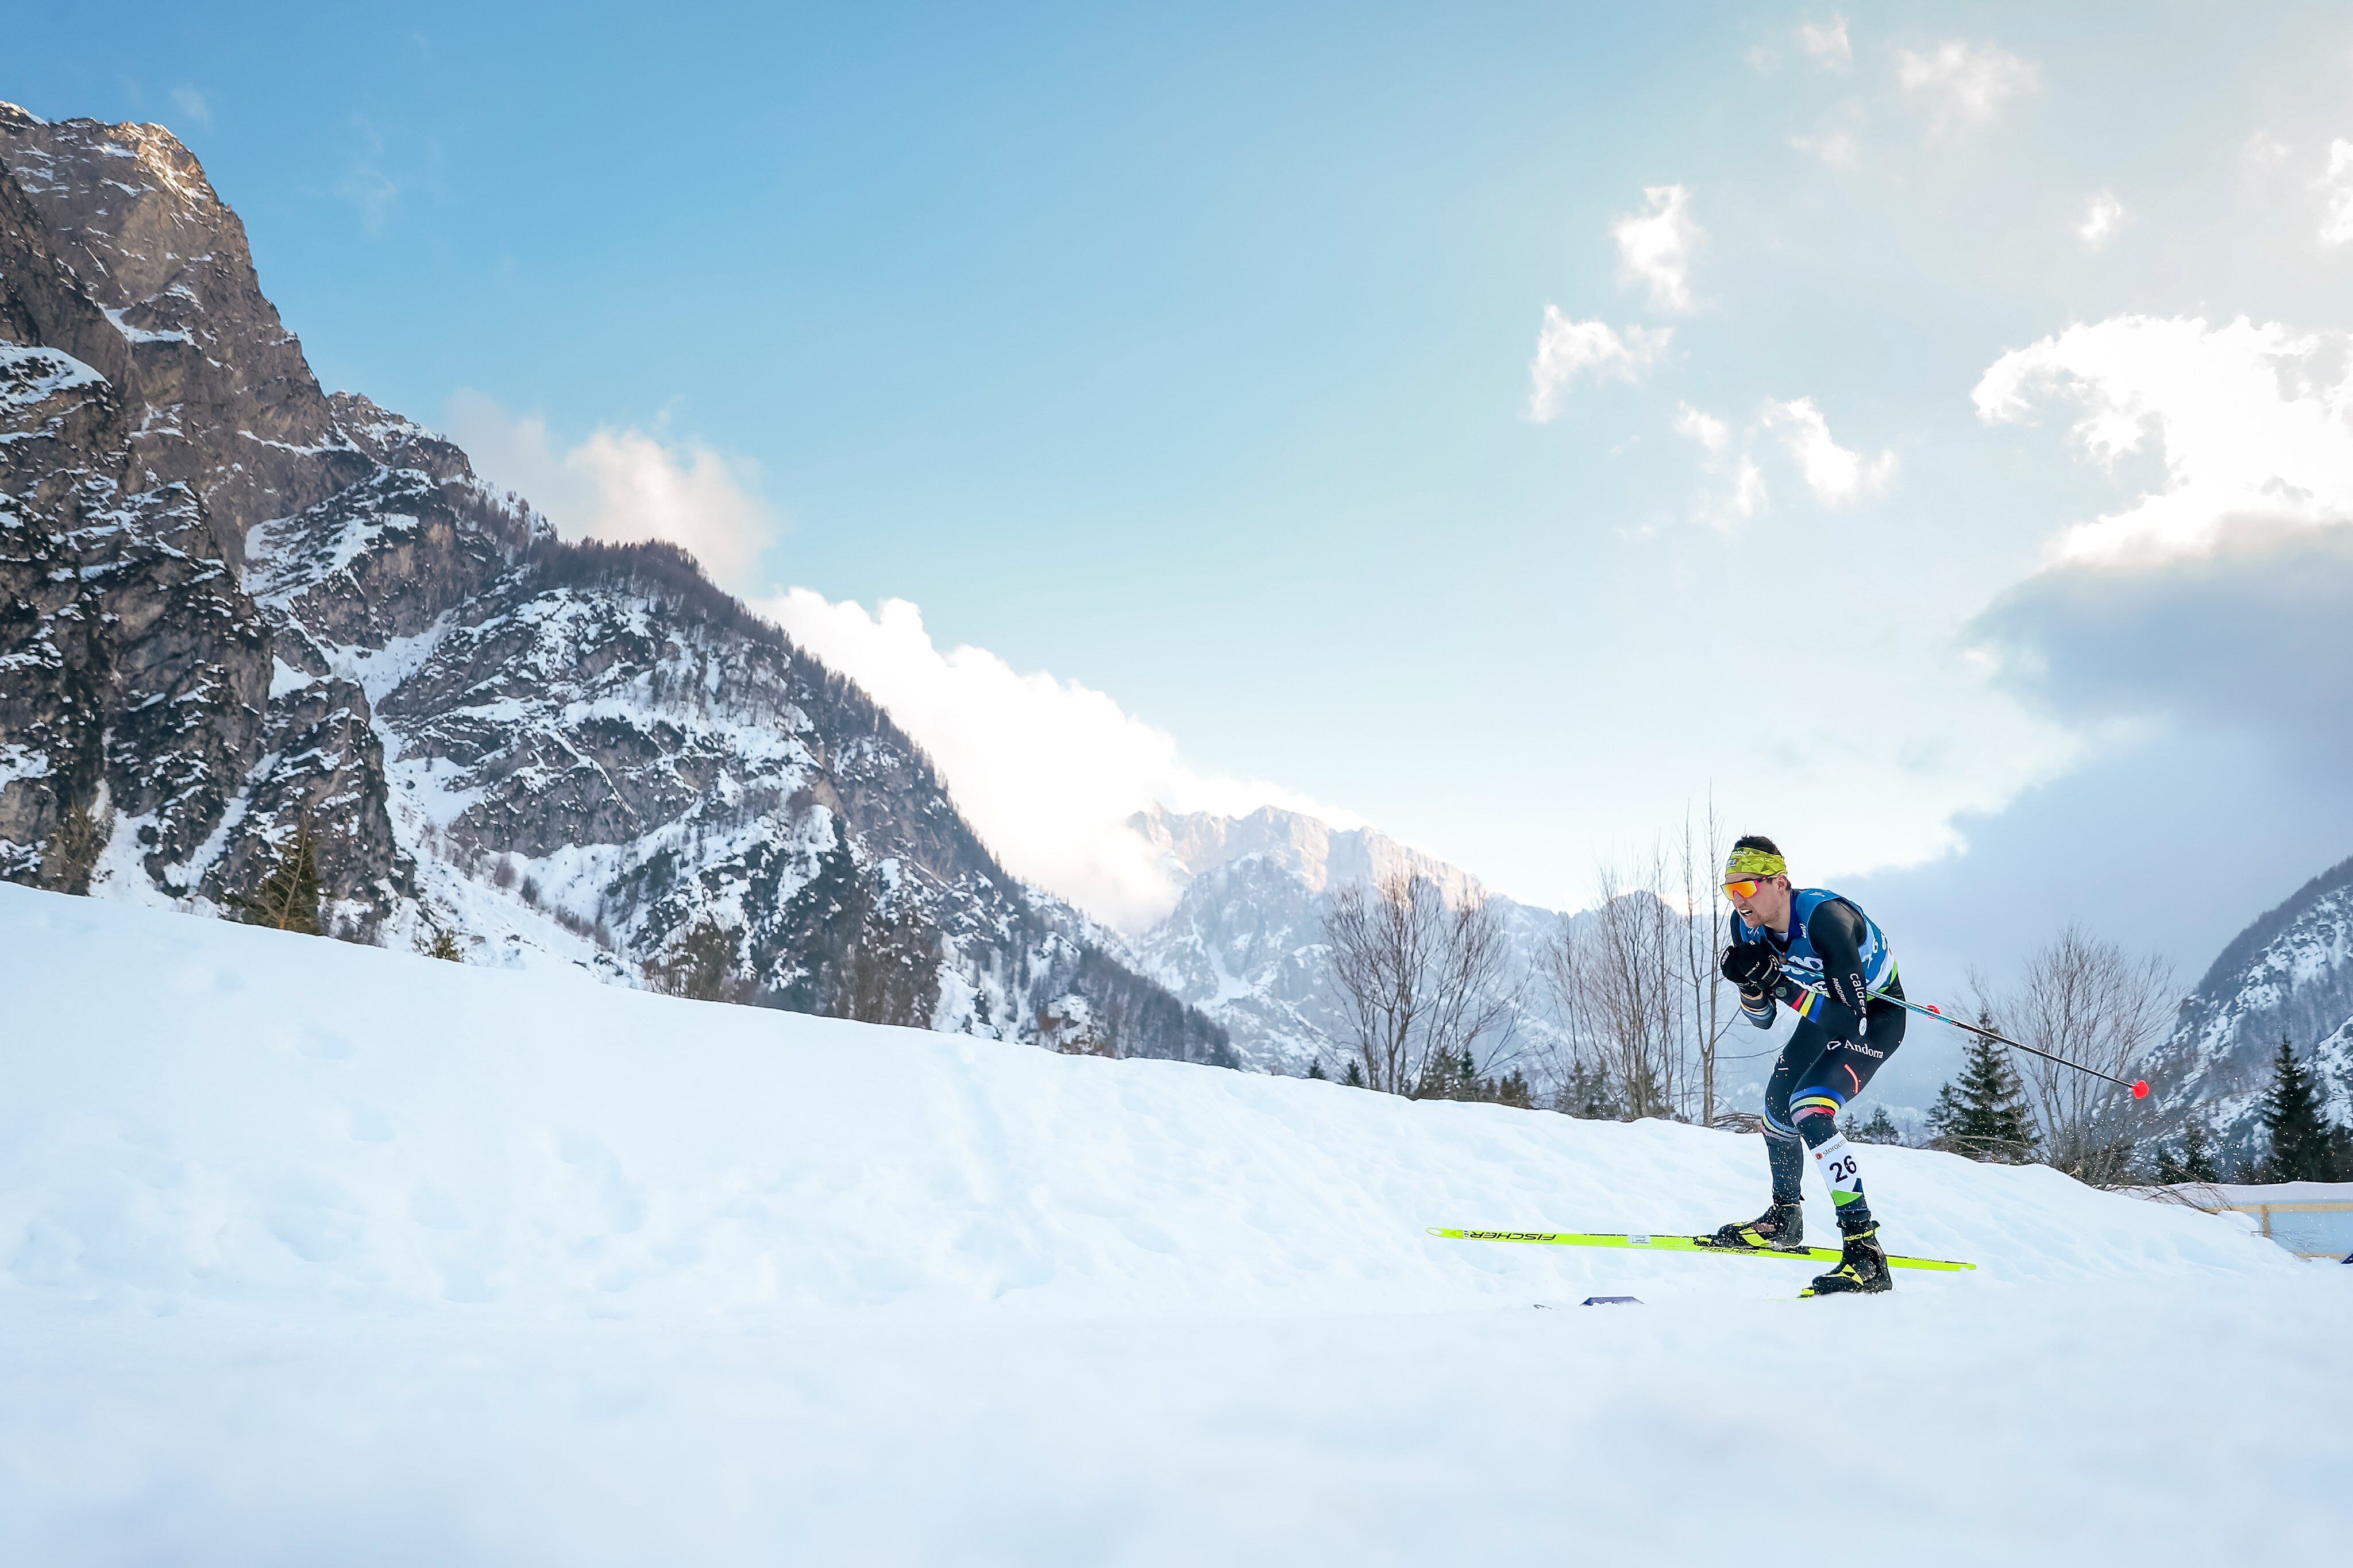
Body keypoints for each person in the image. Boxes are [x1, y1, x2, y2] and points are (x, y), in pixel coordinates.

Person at [1708, 835, 1905, 1296]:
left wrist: (1779, 983)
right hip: (1821, 1012)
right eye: (1729, 889)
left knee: (1809, 1110)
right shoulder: (1748, 928)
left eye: (1747, 887)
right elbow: (1763, 1022)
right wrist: (1752, 987)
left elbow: (1849, 1019)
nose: (1738, 900)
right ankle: (1785, 1220)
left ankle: (1865, 1251)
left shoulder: (1827, 920)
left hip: (1873, 1019)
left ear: (1780, 883)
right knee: (1776, 1108)